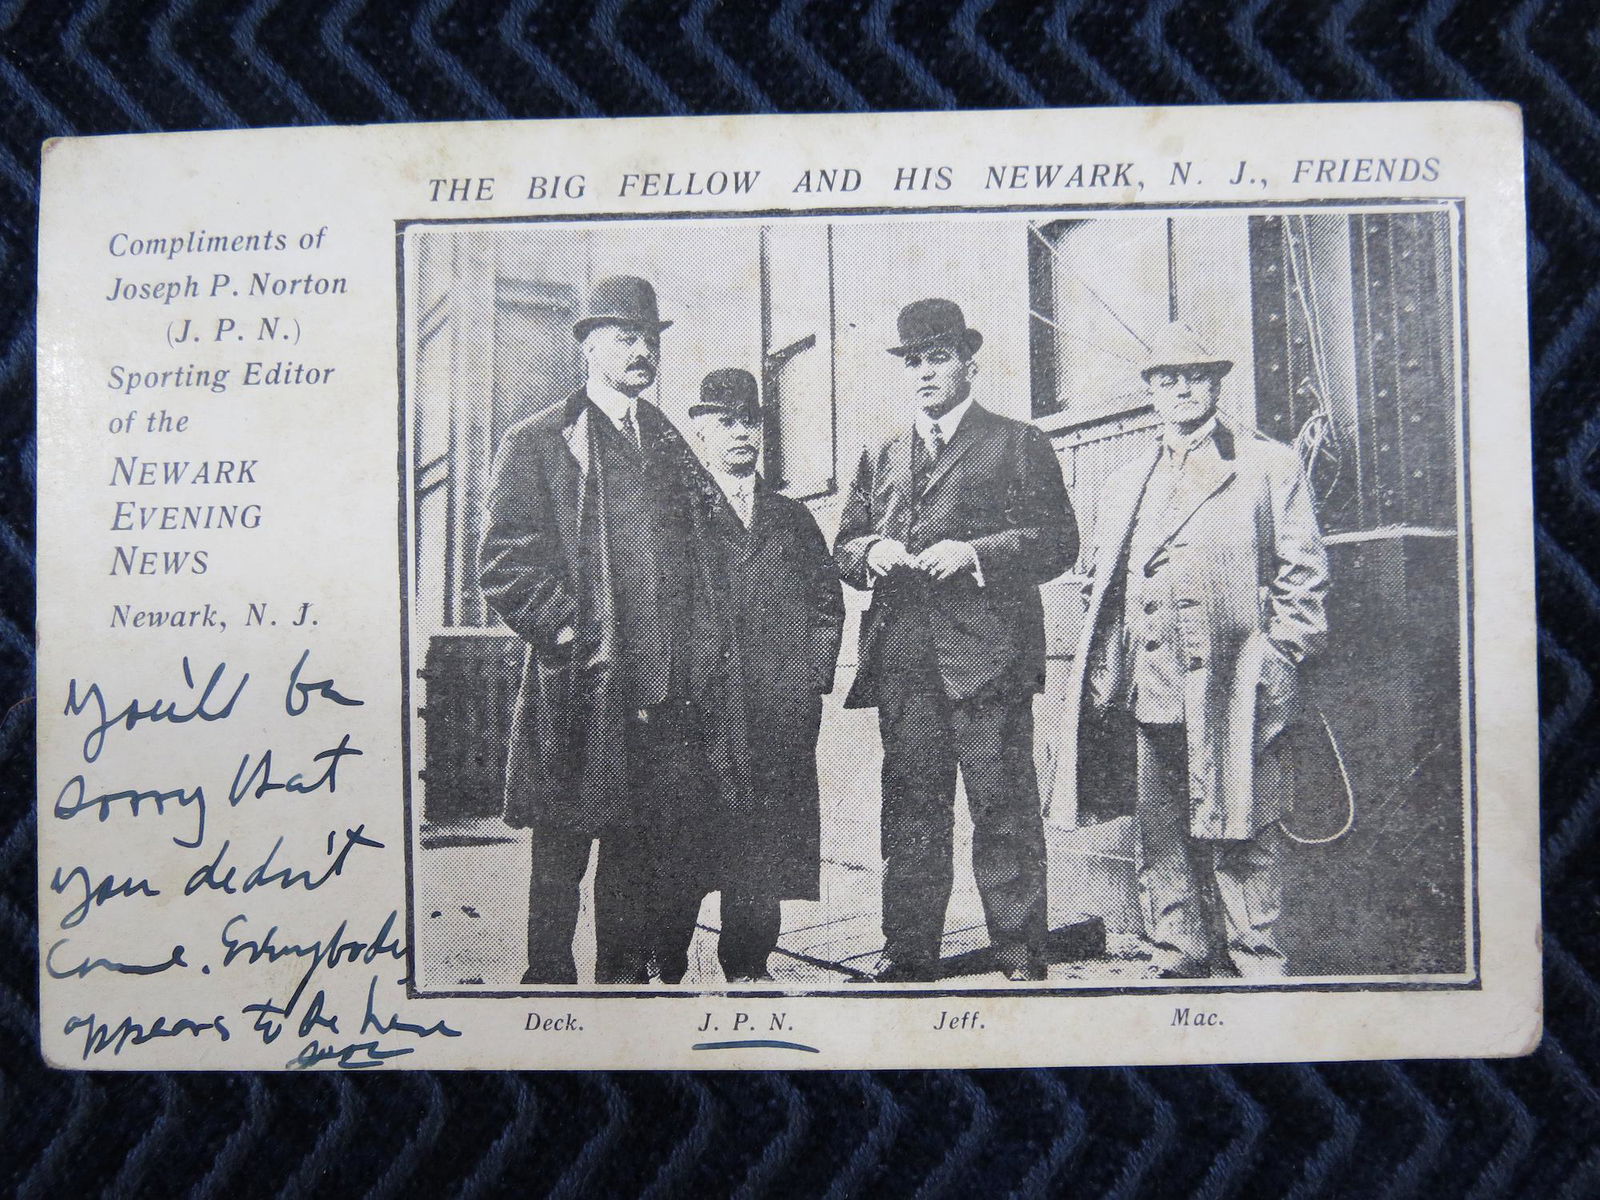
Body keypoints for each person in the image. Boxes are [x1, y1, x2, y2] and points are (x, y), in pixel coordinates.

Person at [479, 275, 734, 986]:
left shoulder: (668, 442)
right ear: (589, 346)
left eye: (649, 338)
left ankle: (619, 986)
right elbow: (503, 565)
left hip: (654, 691)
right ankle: (549, 985)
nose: (642, 351)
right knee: (560, 849)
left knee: (633, 844)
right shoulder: (535, 440)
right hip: (577, 684)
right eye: (625, 337)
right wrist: (568, 634)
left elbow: (704, 548)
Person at [1058, 321, 1329, 978]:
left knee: (1245, 832)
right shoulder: (1126, 481)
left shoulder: (1266, 465)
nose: (1181, 389)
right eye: (1167, 378)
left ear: (1216, 384)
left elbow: (1306, 576)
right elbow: (1099, 578)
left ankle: (1259, 968)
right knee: (1161, 836)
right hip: (1149, 688)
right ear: (1150, 390)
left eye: (1195, 376)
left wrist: (1278, 659)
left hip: (1235, 688)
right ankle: (1176, 959)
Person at [835, 298, 1077, 983]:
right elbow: (843, 545)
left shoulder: (1017, 442)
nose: (924, 373)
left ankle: (1021, 952)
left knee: (1002, 809)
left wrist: (974, 554)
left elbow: (1058, 541)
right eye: (913, 361)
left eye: (937, 357)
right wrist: (871, 551)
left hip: (988, 660)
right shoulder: (879, 452)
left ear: (969, 362)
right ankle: (908, 950)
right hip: (905, 663)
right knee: (911, 811)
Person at [689, 368, 845, 983]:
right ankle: (663, 968)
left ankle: (749, 966)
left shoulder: (792, 519)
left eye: (750, 422)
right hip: (696, 713)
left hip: (776, 712)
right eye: (726, 423)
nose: (741, 435)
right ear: (700, 431)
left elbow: (825, 605)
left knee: (762, 845)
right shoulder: (677, 514)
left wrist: (809, 682)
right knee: (684, 845)